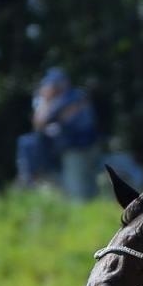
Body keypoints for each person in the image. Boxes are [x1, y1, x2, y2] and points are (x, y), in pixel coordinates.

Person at [16, 68, 101, 199]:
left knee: (80, 193)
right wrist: (45, 100)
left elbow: (55, 118)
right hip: (63, 149)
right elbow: (38, 125)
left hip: (81, 147)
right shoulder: (49, 100)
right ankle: (30, 178)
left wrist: (47, 102)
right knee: (27, 142)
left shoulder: (75, 96)